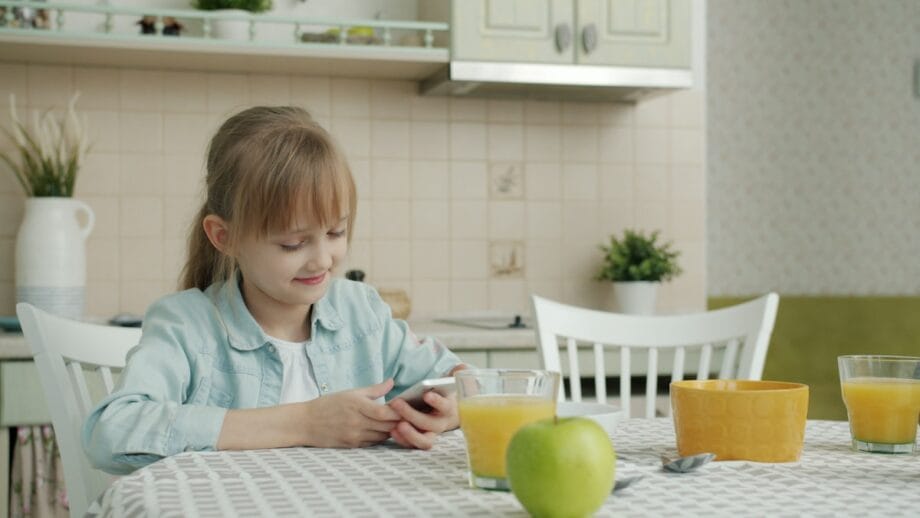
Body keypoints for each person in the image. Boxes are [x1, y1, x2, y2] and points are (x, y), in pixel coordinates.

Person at [83, 106, 466, 475]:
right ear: (225, 237)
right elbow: (112, 432)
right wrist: (305, 421)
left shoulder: (361, 313)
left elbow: (466, 382)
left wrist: (453, 411)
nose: (322, 260)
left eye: (336, 232)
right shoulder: (187, 325)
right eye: (292, 244)